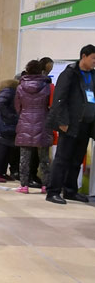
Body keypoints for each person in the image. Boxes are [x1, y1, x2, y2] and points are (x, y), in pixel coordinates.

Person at [45, 44, 95, 204]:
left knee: (76, 160)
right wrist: (62, 121)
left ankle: (70, 190)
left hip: (86, 125)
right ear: (84, 56)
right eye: (93, 58)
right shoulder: (70, 74)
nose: (94, 61)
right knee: (62, 159)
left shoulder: (93, 75)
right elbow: (59, 98)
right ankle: (53, 191)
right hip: (70, 124)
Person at [14, 60, 53, 194]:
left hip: (24, 121)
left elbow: (17, 107)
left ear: (28, 70)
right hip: (42, 122)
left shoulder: (20, 87)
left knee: (24, 158)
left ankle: (24, 186)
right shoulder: (47, 86)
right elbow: (50, 105)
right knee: (44, 158)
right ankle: (45, 185)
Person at [0, 79, 20, 182]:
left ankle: (1, 172)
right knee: (1, 151)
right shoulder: (9, 91)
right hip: (3, 127)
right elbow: (1, 103)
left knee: (6, 151)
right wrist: (11, 116)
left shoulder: (10, 91)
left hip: (6, 126)